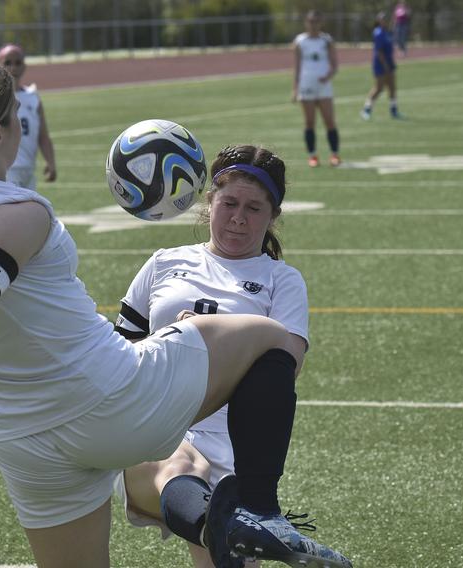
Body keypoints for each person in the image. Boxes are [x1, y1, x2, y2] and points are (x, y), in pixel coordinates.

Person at [0, 25, 353, 568]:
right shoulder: (17, 211)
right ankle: (257, 509)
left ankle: (230, 514)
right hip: (110, 402)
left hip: (19, 441)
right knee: (267, 337)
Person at [113, 144, 348, 568]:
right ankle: (231, 526)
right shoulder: (163, 263)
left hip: (235, 445)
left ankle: (232, 526)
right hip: (158, 423)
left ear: (273, 215)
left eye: (255, 208)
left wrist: (206, 337)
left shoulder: (281, 280)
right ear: (209, 203)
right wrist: (176, 342)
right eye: (230, 203)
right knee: (178, 464)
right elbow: (118, 355)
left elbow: (285, 365)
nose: (239, 218)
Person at [0, 43, 57, 191]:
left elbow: (43, 136)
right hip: (6, 168)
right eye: (8, 63)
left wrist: (50, 162)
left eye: (18, 63)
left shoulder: (32, 97)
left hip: (28, 168)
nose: (13, 68)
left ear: (24, 66)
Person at [292, 10, 341, 168]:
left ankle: (334, 154)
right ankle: (313, 156)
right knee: (309, 122)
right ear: (306, 23)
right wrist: (295, 88)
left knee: (329, 121)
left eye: (316, 21)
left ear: (320, 23)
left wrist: (328, 76)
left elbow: (335, 65)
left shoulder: (326, 40)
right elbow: (297, 67)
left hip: (323, 86)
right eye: (310, 21)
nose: (313, 25)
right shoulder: (300, 41)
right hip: (306, 86)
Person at [361, 11, 401, 121]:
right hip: (380, 63)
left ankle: (394, 110)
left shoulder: (388, 32)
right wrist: (385, 64)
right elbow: (379, 51)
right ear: (379, 21)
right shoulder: (378, 33)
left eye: (386, 19)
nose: (385, 21)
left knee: (392, 87)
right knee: (379, 88)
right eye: (383, 19)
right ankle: (366, 109)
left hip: (389, 62)